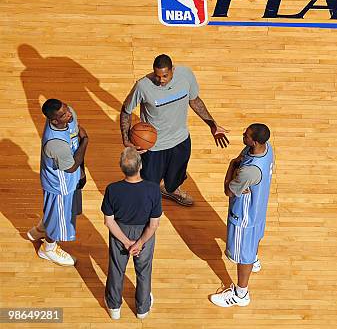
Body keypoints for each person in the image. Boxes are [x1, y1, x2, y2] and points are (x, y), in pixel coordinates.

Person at [120, 54, 229, 206]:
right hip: (154, 146)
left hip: (180, 140)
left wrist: (212, 124)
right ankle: (145, 205)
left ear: (173, 70)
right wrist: (125, 139)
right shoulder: (143, 86)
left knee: (174, 179)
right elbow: (126, 111)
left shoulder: (185, 76)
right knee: (149, 184)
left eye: (165, 76)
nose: (161, 80)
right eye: (157, 76)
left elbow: (195, 100)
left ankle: (170, 190)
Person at [210, 124, 274, 307]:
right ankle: (253, 260)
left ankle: (241, 294)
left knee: (242, 256)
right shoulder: (266, 149)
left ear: (254, 141)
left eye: (246, 135)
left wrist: (231, 166)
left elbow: (228, 191)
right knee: (253, 244)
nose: (242, 136)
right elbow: (242, 158)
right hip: (258, 209)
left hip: (243, 217)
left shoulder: (250, 171)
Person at [101, 147, 162, 320]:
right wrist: (139, 243)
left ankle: (114, 307)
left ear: (121, 167)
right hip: (145, 232)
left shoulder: (112, 189)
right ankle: (142, 309)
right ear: (140, 166)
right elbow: (154, 224)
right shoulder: (153, 189)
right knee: (144, 270)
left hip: (120, 232)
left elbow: (109, 221)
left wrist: (126, 242)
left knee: (116, 268)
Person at [27, 99, 88, 266]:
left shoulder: (69, 116)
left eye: (67, 109)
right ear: (54, 121)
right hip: (60, 185)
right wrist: (86, 142)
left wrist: (82, 172)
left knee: (56, 212)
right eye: (63, 114)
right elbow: (70, 167)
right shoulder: (55, 143)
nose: (69, 114)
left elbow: (77, 135)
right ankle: (48, 248)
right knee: (62, 218)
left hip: (71, 177)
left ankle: (39, 230)